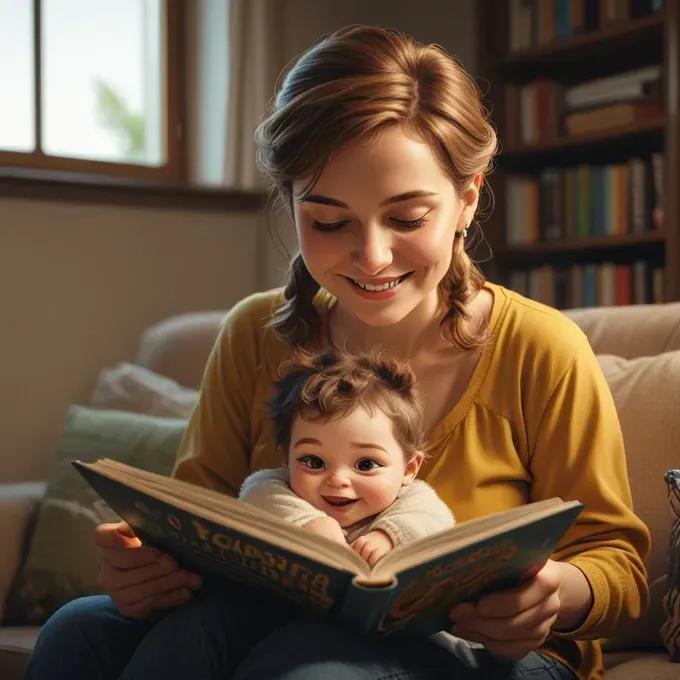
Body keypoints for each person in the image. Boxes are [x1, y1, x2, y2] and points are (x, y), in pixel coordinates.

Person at [23, 24, 650, 680]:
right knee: (77, 632)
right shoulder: (252, 336)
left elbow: (618, 561)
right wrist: (144, 568)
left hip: (492, 657)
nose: (373, 256)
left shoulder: (540, 348)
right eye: (328, 221)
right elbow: (193, 515)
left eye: (407, 219)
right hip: (271, 619)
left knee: (308, 668)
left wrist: (555, 592)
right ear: (291, 203)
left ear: (467, 200)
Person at [238, 347, 456, 567]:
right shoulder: (279, 486)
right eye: (314, 462)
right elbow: (253, 494)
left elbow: (439, 522)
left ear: (409, 469)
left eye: (366, 464)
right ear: (287, 458)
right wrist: (309, 522)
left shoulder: (413, 499)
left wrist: (387, 537)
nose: (338, 479)